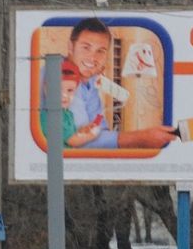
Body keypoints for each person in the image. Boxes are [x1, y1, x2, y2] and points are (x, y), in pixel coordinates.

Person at [65, 18, 183, 151]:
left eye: (101, 51)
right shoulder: (62, 81)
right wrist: (140, 138)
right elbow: (82, 142)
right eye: (86, 47)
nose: (92, 58)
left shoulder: (89, 82)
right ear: (71, 47)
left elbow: (97, 131)